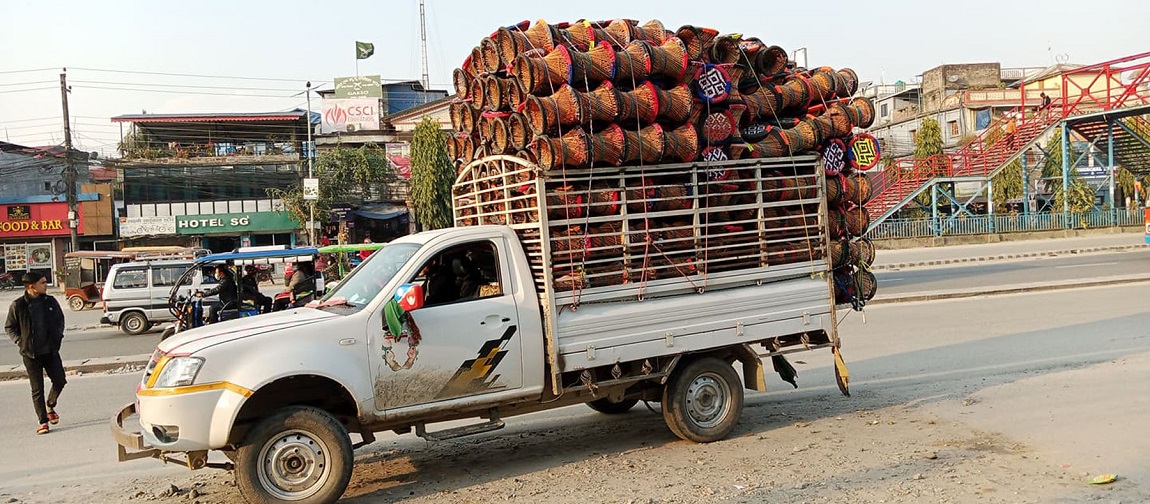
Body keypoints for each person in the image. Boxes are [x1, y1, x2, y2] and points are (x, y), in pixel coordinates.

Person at [5, 271, 66, 435]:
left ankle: (50, 405)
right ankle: (43, 421)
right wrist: (19, 341)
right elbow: (9, 327)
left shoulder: (50, 301)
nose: (46, 285)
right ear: (32, 287)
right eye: (43, 283)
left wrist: (58, 337)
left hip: (51, 351)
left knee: (60, 380)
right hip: (31, 354)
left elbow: (60, 321)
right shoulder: (18, 305)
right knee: (37, 389)